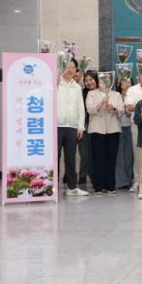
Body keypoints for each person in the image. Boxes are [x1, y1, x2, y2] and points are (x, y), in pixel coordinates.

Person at [86, 73, 125, 195]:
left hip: (113, 129)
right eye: (102, 80)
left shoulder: (116, 94)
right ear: (98, 81)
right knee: (98, 158)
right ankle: (98, 186)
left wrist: (113, 108)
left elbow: (122, 110)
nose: (105, 82)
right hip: (97, 129)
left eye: (107, 80)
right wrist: (101, 102)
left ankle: (110, 185)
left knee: (111, 158)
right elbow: (90, 110)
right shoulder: (91, 93)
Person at [57, 58, 88, 196]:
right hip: (56, 126)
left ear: (76, 70)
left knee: (71, 158)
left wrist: (80, 126)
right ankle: (52, 187)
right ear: (62, 66)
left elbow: (81, 108)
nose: (70, 70)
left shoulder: (77, 87)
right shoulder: (56, 83)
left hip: (72, 127)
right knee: (54, 157)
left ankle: (72, 187)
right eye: (68, 66)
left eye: (73, 67)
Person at [124, 66, 142, 192]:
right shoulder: (132, 89)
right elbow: (129, 107)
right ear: (138, 76)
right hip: (137, 124)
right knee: (138, 153)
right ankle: (137, 180)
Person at [78, 70, 97, 189]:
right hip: (84, 126)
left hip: (97, 125)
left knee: (95, 153)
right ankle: (83, 175)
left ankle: (93, 176)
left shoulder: (101, 92)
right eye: (86, 80)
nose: (89, 82)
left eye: (91, 79)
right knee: (84, 153)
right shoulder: (81, 93)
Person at [115, 77, 134, 189]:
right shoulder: (116, 95)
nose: (126, 83)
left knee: (129, 155)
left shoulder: (133, 96)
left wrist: (129, 111)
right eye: (123, 81)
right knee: (119, 156)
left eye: (128, 81)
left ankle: (129, 180)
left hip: (130, 128)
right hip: (117, 128)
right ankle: (121, 181)